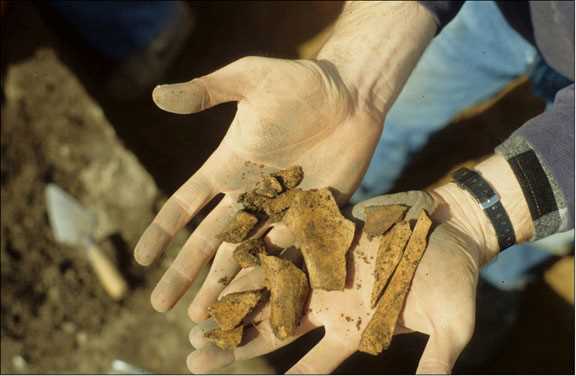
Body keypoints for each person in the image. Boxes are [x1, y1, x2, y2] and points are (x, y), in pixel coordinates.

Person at [133, 1, 574, 373]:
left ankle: (502, 277)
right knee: (390, 113)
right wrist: (359, 72)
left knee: (540, 228)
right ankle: (350, 200)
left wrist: (481, 221)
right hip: (507, 11)